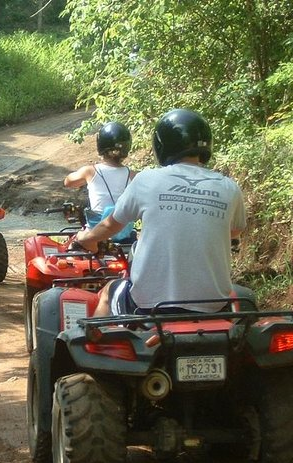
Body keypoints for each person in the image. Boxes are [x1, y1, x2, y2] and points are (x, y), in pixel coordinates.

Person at [74, 109, 246, 316]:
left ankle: (98, 345)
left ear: (161, 145)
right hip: (214, 305)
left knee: (109, 291)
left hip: (151, 306)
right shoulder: (230, 187)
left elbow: (111, 225)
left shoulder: (147, 180)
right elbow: (233, 233)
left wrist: (87, 238)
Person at [64, 121, 136, 241]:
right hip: (124, 235)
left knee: (74, 244)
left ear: (100, 146)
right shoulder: (133, 175)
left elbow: (68, 182)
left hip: (95, 235)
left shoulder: (90, 171)